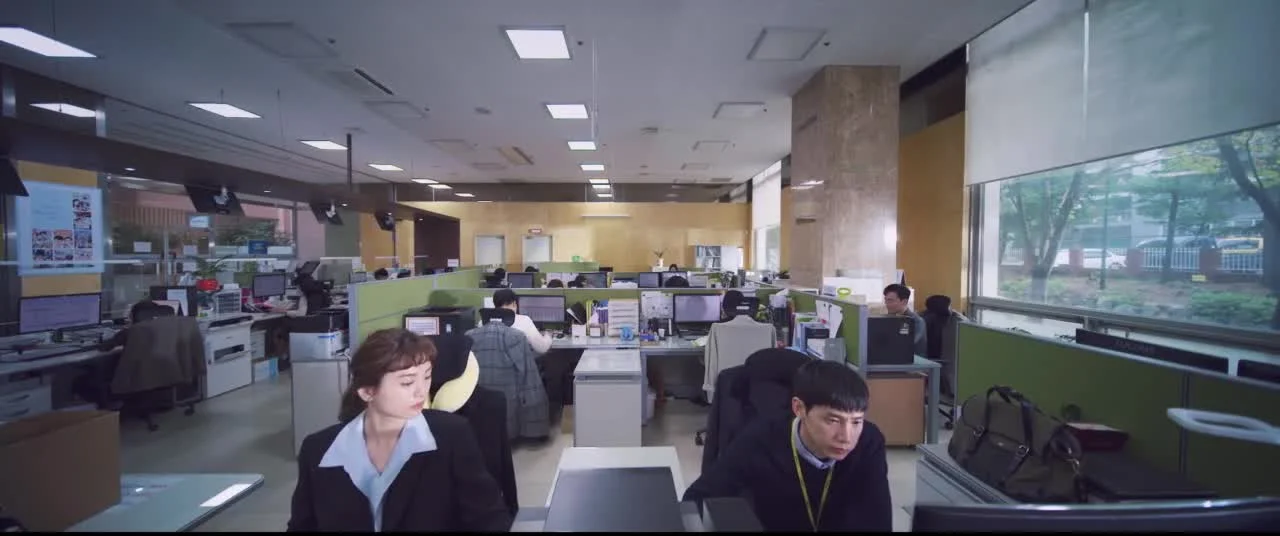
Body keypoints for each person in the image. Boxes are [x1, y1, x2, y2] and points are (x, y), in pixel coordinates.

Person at [288, 329, 511, 532]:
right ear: (367, 392)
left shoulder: (451, 436)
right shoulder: (318, 450)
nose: (421, 391)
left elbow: (490, 520)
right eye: (407, 383)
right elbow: (302, 526)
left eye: (427, 376)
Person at [682, 360, 892, 532]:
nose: (846, 437)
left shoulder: (868, 441)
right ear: (799, 408)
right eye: (833, 420)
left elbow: (878, 520)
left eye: (856, 421)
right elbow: (697, 498)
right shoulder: (760, 438)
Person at [492, 289, 552, 355]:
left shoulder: (486, 321)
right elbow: (542, 348)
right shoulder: (524, 320)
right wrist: (548, 335)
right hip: (516, 361)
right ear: (514, 304)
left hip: (492, 361)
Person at [883, 284, 926, 355]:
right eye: (886, 300)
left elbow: (905, 344)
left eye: (890, 301)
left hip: (913, 359)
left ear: (904, 302)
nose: (886, 304)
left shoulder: (916, 321)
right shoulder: (891, 317)